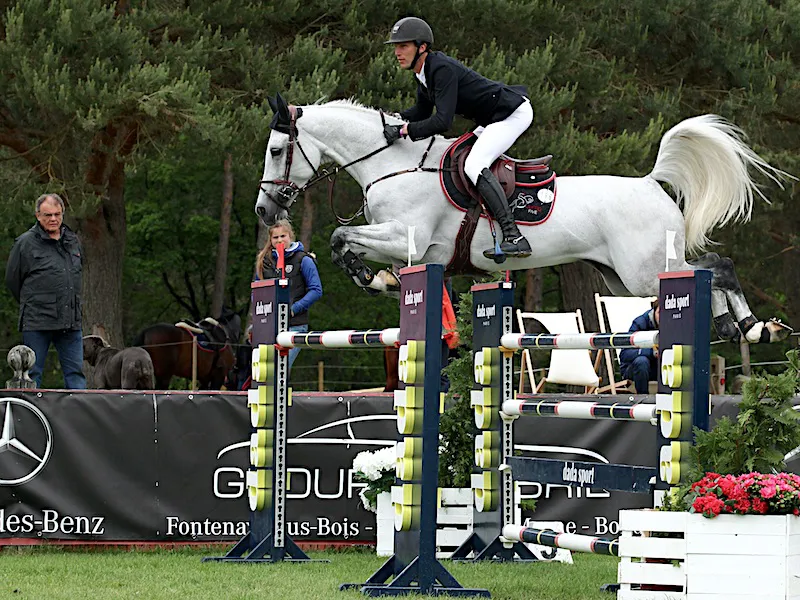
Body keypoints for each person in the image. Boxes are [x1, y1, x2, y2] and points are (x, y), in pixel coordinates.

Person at [383, 16, 533, 260]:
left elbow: (443, 121)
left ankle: (514, 236)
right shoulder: (423, 73)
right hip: (491, 118)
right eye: (396, 47)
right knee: (458, 158)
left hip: (511, 114)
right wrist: (392, 119)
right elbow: (421, 112)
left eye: (403, 46)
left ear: (422, 47)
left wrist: (404, 131)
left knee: (474, 165)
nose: (397, 52)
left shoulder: (440, 69)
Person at [5, 193, 86, 389]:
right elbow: (12, 280)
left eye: (57, 214)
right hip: (37, 322)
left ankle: (79, 418)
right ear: (37, 216)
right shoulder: (25, 243)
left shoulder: (73, 240)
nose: (53, 219)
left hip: (70, 321)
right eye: (48, 215)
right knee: (31, 374)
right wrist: (36, 303)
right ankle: (29, 417)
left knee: (76, 373)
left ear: (63, 214)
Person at [255, 220, 322, 372]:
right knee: (265, 372)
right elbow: (257, 291)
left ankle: (283, 395)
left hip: (295, 324)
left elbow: (316, 290)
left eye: (283, 236)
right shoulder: (264, 262)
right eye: (275, 237)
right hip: (269, 326)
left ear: (290, 236)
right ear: (270, 240)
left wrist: (294, 308)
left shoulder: (303, 259)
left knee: (280, 370)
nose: (279, 240)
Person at [619, 300, 660, 394]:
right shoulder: (640, 323)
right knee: (642, 361)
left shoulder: (672, 324)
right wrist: (651, 352)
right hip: (634, 368)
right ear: (653, 311)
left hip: (657, 367)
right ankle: (643, 399)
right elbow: (624, 354)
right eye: (659, 312)